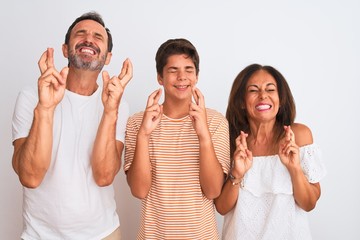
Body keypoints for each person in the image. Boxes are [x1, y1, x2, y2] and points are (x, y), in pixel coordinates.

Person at [11, 12, 132, 240]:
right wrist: (45, 108)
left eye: (98, 36)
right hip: (40, 235)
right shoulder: (31, 97)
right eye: (81, 33)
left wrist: (109, 111)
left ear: (107, 57)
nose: (89, 39)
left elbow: (104, 176)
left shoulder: (118, 105)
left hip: (103, 234)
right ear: (66, 49)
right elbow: (30, 176)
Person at [124, 38, 230, 239]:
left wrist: (203, 136)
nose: (182, 77)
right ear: (160, 78)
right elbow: (139, 190)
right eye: (173, 70)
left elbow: (213, 190)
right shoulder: (138, 123)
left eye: (189, 70)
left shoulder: (215, 122)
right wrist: (144, 135)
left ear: (196, 76)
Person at [214, 64, 327, 239]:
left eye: (270, 89)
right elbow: (222, 207)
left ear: (280, 99)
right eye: (253, 90)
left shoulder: (299, 135)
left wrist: (294, 168)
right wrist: (237, 174)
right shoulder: (231, 141)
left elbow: (309, 204)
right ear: (242, 102)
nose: (263, 96)